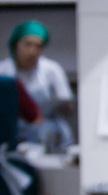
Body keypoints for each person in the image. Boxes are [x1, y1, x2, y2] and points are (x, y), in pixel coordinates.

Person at [0, 20, 74, 149]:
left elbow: (67, 103)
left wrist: (58, 106)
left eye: (38, 46)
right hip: (13, 132)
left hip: (48, 131)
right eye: (27, 44)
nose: (32, 51)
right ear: (16, 45)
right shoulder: (4, 71)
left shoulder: (52, 69)